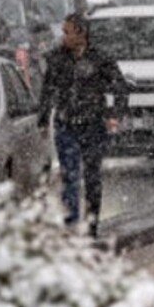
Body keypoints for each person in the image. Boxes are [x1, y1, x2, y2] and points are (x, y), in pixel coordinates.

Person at [38, 13, 128, 238]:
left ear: (81, 33)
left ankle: (91, 222)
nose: (63, 37)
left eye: (67, 32)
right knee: (69, 174)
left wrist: (115, 113)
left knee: (92, 175)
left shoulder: (100, 59)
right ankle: (72, 221)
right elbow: (48, 90)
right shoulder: (58, 59)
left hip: (93, 125)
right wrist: (43, 118)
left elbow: (120, 87)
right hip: (66, 124)